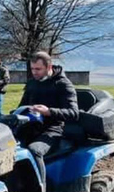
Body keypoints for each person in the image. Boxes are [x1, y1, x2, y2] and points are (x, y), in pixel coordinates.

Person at [16, 51, 79, 185]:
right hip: (31, 127)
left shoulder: (63, 84)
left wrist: (48, 111)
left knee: (34, 151)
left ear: (49, 67)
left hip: (54, 130)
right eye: (32, 69)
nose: (34, 72)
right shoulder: (32, 83)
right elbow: (21, 107)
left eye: (38, 69)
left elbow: (73, 113)